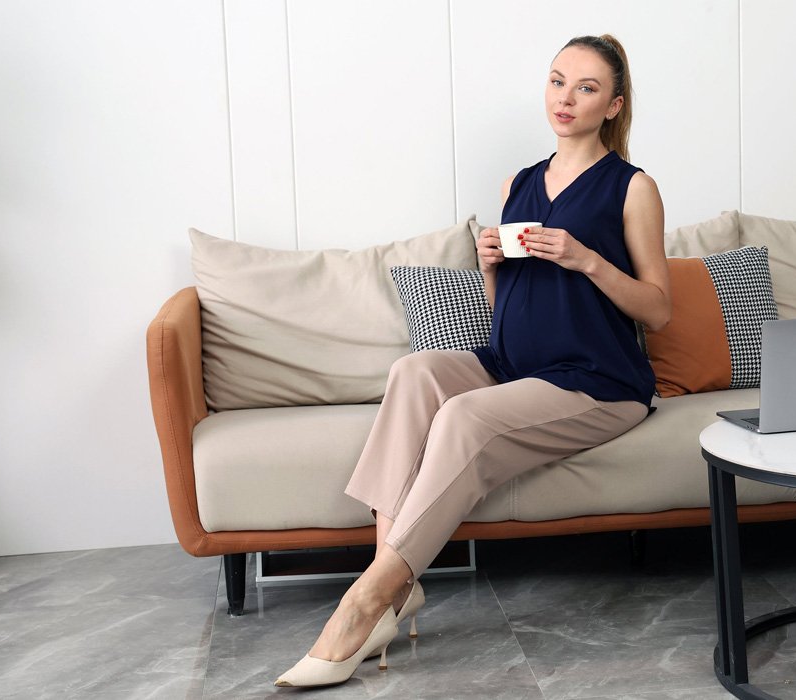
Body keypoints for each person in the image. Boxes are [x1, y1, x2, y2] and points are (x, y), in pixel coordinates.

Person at [275, 33, 671, 688]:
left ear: (613, 106)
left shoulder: (633, 189)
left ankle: (364, 603)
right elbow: (508, 307)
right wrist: (491, 268)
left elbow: (658, 310)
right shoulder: (518, 183)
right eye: (556, 80)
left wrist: (586, 258)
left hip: (598, 380)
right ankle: (393, 582)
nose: (565, 98)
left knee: (463, 419)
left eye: (586, 87)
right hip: (514, 362)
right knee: (413, 372)